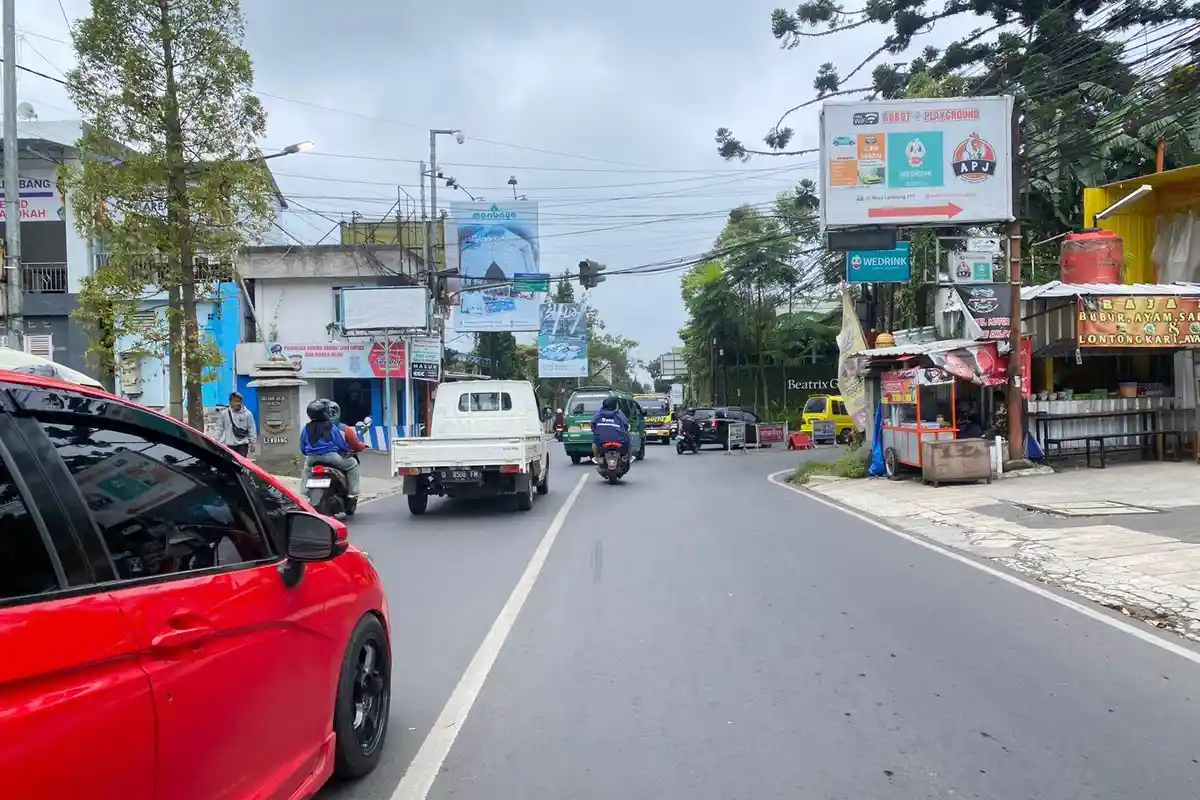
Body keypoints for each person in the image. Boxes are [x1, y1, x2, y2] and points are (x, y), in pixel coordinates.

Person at [299, 399, 362, 500]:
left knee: (307, 470)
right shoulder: (331, 427)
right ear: (325, 413)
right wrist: (346, 451)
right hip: (331, 457)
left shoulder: (306, 428)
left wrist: (308, 453)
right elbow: (340, 443)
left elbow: (302, 446)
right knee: (352, 464)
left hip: (312, 458)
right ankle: (352, 493)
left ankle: (304, 494)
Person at [217, 391, 257, 457]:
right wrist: (215, 440)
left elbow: (251, 428)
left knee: (240, 466)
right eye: (236, 401)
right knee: (230, 465)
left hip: (243, 445)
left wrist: (253, 443)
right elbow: (219, 428)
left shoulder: (248, 414)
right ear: (230, 402)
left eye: (240, 401)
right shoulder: (224, 414)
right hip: (229, 446)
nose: (239, 403)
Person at [591, 396, 630, 462]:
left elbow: (592, 425)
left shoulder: (598, 414)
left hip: (601, 440)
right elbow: (626, 425)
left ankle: (596, 458)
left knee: (594, 443)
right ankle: (629, 458)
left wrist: (596, 432)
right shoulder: (620, 414)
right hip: (619, 439)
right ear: (615, 405)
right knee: (628, 440)